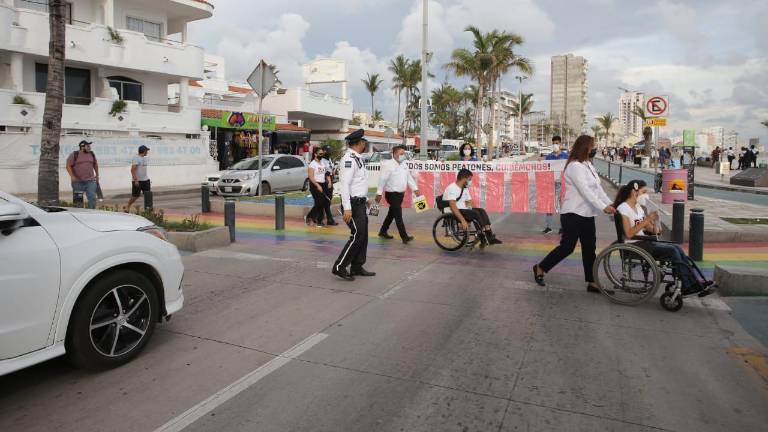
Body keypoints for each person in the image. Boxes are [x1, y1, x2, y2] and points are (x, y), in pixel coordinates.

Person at [533, 135, 616, 291]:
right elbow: (585, 191)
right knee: (567, 247)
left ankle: (592, 282)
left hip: (587, 214)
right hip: (572, 214)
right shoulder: (574, 166)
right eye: (593, 146)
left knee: (590, 248)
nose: (595, 148)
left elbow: (597, 189)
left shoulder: (588, 165)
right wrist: (602, 207)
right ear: (585, 147)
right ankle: (540, 268)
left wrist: (609, 203)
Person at [613, 179, 707, 295]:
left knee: (676, 247)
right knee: (672, 251)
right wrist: (647, 219)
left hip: (644, 242)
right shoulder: (623, 209)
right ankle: (687, 284)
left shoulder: (638, 208)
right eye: (644, 192)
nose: (646, 195)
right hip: (633, 245)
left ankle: (692, 282)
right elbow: (629, 233)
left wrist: (656, 225)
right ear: (634, 192)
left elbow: (649, 228)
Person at [332, 129, 376, 281]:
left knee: (362, 236)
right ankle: (340, 266)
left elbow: (358, 183)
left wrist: (366, 198)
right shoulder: (349, 159)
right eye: (364, 141)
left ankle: (357, 266)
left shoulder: (357, 158)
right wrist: (348, 208)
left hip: (360, 203)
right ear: (359, 143)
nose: (365, 144)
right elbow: (344, 184)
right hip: (352, 205)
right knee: (357, 235)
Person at [442, 168, 502, 246]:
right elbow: (453, 206)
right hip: (453, 210)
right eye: (469, 179)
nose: (470, 182)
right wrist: (463, 221)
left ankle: (488, 234)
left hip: (463, 209)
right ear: (464, 178)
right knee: (475, 213)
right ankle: (483, 237)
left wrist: (476, 210)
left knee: (481, 211)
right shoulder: (452, 188)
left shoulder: (464, 188)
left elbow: (469, 202)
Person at [375, 145, 420, 243]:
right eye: (401, 154)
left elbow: (409, 178)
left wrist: (416, 190)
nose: (403, 156)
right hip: (391, 194)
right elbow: (382, 179)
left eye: (404, 154)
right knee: (398, 215)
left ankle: (383, 231)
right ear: (395, 154)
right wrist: (379, 193)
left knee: (391, 214)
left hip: (400, 194)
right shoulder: (388, 165)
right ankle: (404, 237)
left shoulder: (404, 164)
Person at [543, 136, 568, 235]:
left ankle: (563, 227)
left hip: (562, 184)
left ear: (560, 144)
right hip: (551, 184)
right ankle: (549, 227)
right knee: (549, 205)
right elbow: (544, 169)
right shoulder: (549, 157)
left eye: (557, 143)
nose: (555, 145)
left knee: (563, 206)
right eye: (554, 143)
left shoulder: (566, 156)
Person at [66, 140, 99, 209]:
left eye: (90, 146)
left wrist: (97, 175)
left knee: (92, 198)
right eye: (88, 146)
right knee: (78, 201)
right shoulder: (74, 154)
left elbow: (95, 165)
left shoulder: (92, 154)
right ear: (82, 147)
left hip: (90, 181)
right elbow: (68, 166)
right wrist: (72, 176)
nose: (89, 147)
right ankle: (80, 214)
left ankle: (92, 213)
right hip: (77, 181)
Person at [306, 147, 332, 227]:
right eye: (320, 154)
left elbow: (326, 173)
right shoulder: (312, 164)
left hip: (323, 184)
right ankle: (310, 217)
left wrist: (329, 181)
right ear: (315, 154)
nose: (321, 155)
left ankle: (318, 220)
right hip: (315, 184)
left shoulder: (322, 163)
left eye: (322, 154)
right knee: (319, 202)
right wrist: (317, 186)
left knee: (323, 202)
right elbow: (311, 177)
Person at [320, 145, 338, 225]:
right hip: (325, 182)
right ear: (323, 151)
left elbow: (331, 170)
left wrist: (334, 171)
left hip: (331, 181)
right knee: (325, 201)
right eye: (327, 150)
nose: (329, 152)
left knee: (328, 201)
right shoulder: (322, 160)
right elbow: (325, 173)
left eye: (330, 150)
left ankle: (327, 219)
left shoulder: (329, 159)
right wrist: (329, 181)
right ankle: (324, 219)